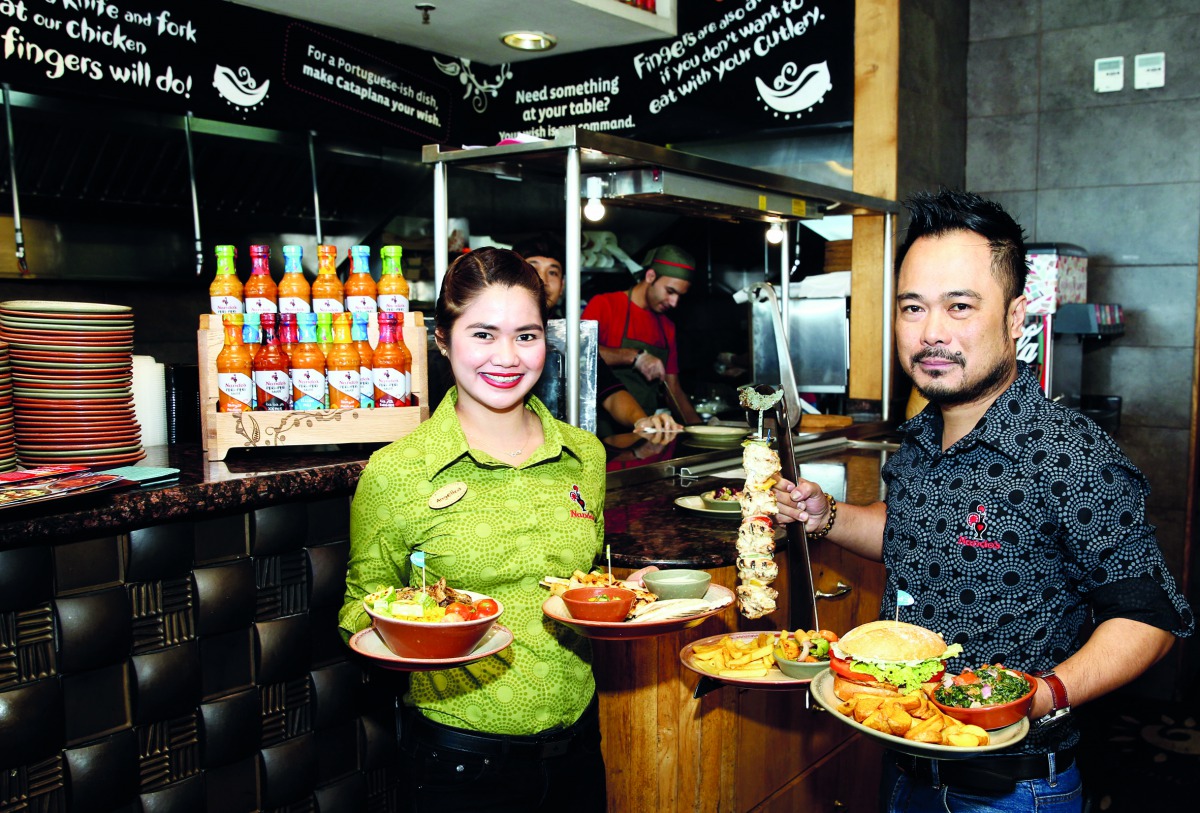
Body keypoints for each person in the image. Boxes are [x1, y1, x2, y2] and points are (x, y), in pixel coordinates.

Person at [772, 189, 1193, 812]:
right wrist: (828, 517)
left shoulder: (1067, 454)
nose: (932, 333)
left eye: (960, 307)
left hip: (1012, 789)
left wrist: (1042, 693)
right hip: (904, 764)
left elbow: (1152, 616)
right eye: (912, 308)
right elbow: (918, 535)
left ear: (1015, 318)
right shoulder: (918, 437)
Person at [339, 247, 608, 812]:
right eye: (483, 334)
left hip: (579, 744)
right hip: (458, 761)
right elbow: (358, 608)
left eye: (527, 335)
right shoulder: (397, 470)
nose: (507, 357)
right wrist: (413, 640)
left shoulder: (585, 455)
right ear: (443, 339)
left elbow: (584, 583)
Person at [513, 233, 681, 437]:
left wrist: (641, 420)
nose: (544, 280)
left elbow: (610, 391)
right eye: (533, 268)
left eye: (553, 272)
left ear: (563, 285)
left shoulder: (572, 336)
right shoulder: (494, 331)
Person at [582, 244, 703, 435]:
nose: (674, 303)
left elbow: (673, 389)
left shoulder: (667, 327)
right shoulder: (605, 305)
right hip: (603, 429)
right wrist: (635, 357)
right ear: (650, 276)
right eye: (670, 291)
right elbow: (581, 355)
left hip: (647, 429)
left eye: (680, 296)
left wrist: (701, 430)